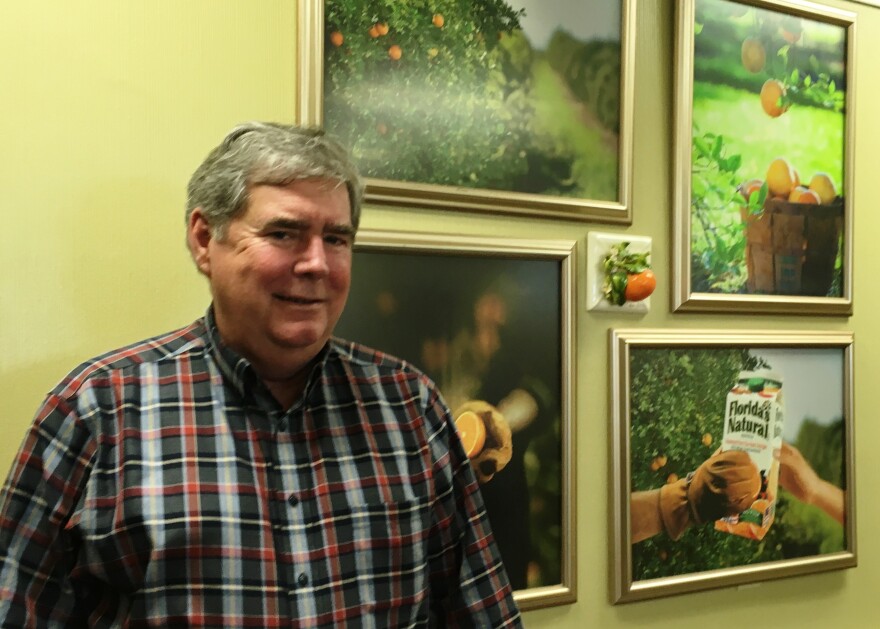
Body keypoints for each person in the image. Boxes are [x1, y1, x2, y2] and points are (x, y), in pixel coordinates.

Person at [0, 122, 523, 627]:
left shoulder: (409, 407)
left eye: (337, 239)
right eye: (284, 233)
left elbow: (479, 611)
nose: (317, 263)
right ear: (205, 239)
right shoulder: (96, 411)